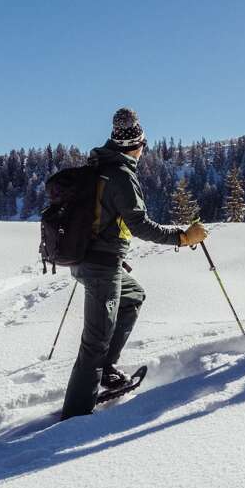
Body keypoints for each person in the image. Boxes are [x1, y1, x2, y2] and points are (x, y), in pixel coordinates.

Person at [61, 107, 207, 419]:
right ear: (137, 145)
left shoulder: (100, 165)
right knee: (94, 344)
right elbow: (140, 225)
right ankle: (74, 419)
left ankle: (104, 372)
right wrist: (182, 237)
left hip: (92, 259)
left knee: (133, 297)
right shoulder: (121, 176)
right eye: (144, 144)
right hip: (100, 266)